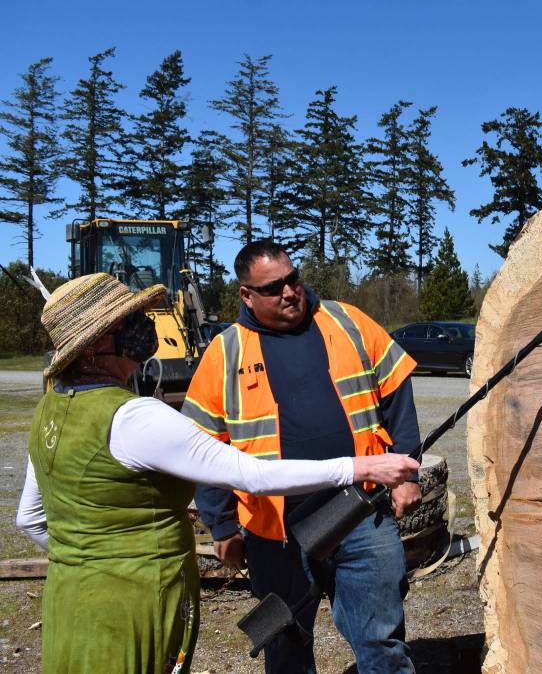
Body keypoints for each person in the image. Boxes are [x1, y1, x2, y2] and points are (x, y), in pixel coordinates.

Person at [14, 273, 419, 674]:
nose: (145, 326)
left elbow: (29, 519)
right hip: (136, 600)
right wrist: (361, 466)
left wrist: (89, 559)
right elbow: (251, 475)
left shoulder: (46, 413)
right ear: (97, 344)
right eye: (130, 320)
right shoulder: (135, 416)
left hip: (71, 599)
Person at [183, 240, 422, 674]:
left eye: (293, 279)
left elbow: (397, 396)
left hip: (362, 514)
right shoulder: (225, 352)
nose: (289, 292)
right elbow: (204, 446)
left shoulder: (347, 320)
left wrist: (407, 473)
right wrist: (222, 525)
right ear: (246, 296)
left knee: (382, 643)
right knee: (285, 649)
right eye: (273, 287)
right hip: (275, 532)